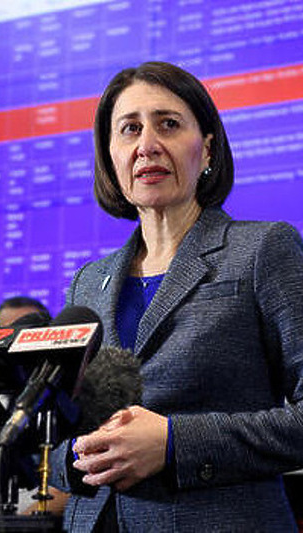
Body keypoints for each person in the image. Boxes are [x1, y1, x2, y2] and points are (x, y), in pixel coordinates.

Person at [48, 61, 303, 531]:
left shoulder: (264, 249)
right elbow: (61, 436)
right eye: (129, 129)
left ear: (206, 148)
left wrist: (174, 443)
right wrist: (76, 457)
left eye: (168, 124)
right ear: (111, 155)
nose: (147, 145)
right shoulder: (88, 282)